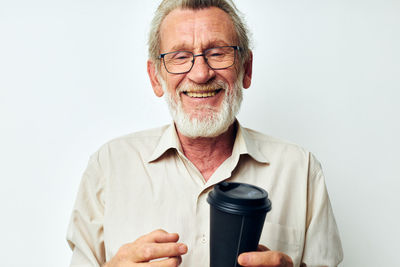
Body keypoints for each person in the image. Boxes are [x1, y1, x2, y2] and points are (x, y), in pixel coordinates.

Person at [66, 0, 343, 266]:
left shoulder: (301, 169)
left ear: (246, 69)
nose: (200, 74)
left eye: (217, 53)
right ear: (155, 78)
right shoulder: (109, 165)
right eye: (180, 56)